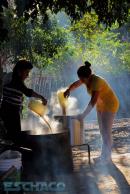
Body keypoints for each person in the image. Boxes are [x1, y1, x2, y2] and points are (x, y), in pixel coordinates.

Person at [64, 61, 119, 163]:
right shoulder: (87, 79)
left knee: (106, 131)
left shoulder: (96, 81)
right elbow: (76, 84)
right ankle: (104, 156)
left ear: (86, 77)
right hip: (101, 106)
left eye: (81, 79)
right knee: (103, 131)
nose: (80, 81)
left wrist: (83, 115)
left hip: (110, 105)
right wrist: (68, 90)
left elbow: (93, 100)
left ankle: (107, 158)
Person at [0, 60, 47, 144]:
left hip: (8, 111)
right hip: (10, 112)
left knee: (12, 136)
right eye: (27, 72)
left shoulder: (11, 78)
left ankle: (12, 150)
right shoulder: (15, 81)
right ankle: (13, 153)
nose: (28, 75)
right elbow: (28, 92)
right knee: (14, 137)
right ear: (19, 71)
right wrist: (41, 97)